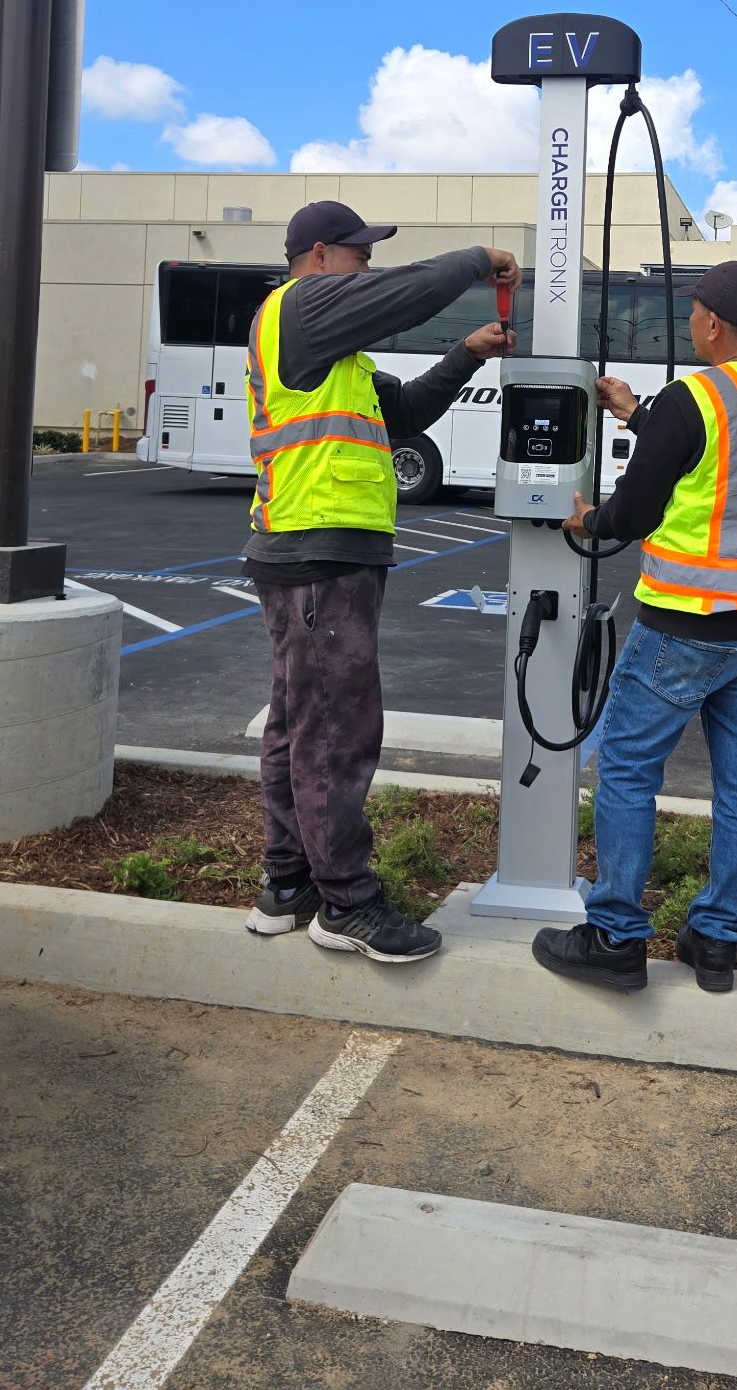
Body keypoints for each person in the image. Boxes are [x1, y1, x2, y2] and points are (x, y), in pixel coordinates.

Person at [531, 261, 737, 996]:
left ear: (713, 324)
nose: (690, 322)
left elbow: (632, 513)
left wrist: (584, 519)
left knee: (628, 770)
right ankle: (717, 939)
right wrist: (634, 412)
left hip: (687, 625)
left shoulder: (698, 394)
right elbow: (728, 459)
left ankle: (615, 937)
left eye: (694, 313)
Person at [244, 198, 520, 964]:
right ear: (321, 255)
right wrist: (475, 260)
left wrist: (465, 355)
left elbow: (400, 418)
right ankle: (348, 904)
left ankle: (289, 884)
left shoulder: (337, 357)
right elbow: (399, 293)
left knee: (298, 720)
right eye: (359, 251)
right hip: (318, 551)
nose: (367, 263)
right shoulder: (301, 308)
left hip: (311, 549)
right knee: (337, 726)